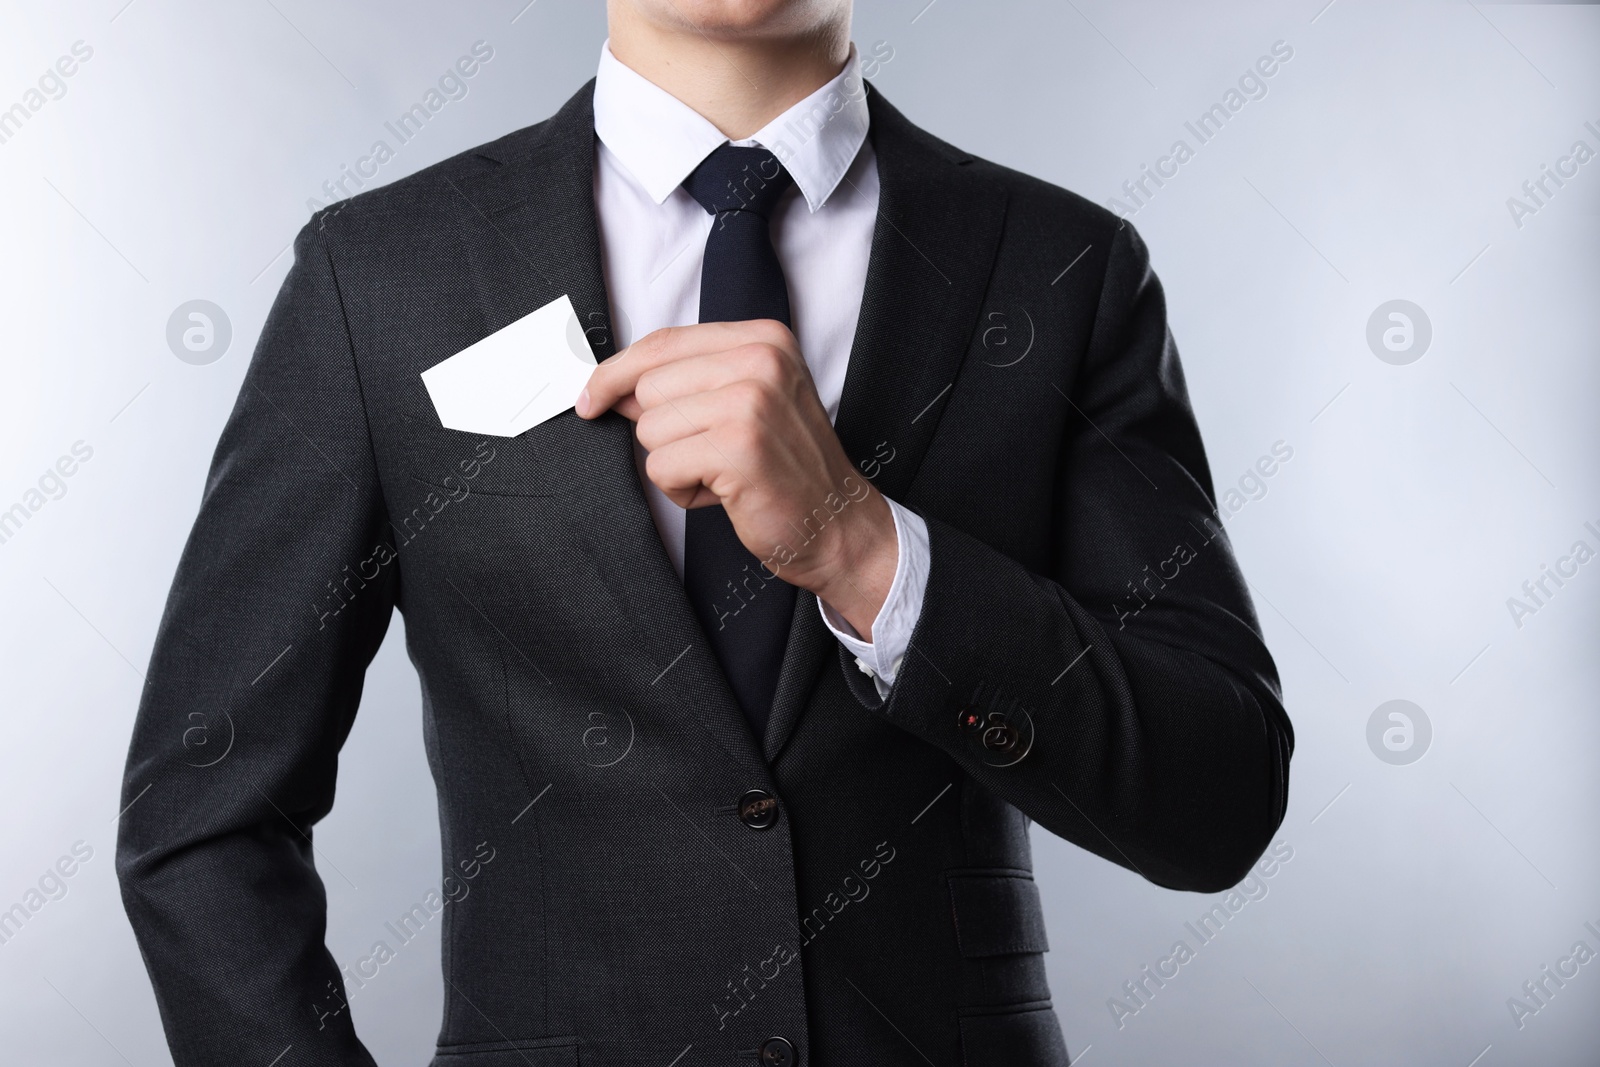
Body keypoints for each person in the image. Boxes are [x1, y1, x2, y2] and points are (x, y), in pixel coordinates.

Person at [117, 1, 1293, 1064]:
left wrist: (865, 550)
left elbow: (1219, 799)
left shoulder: (1063, 269)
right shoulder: (378, 277)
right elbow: (201, 818)